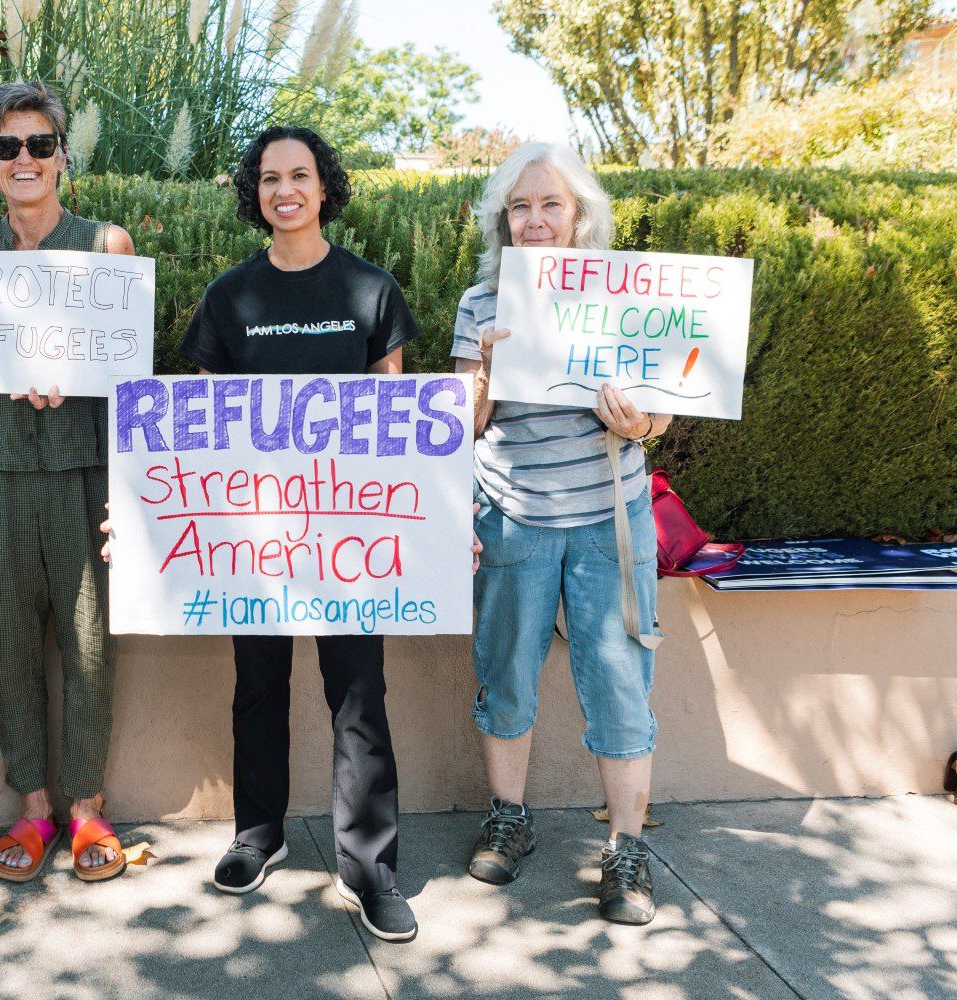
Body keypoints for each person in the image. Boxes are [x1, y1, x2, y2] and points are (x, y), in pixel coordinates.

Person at [179, 125, 422, 942]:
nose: (285, 190)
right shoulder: (229, 297)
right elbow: (203, 423)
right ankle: (259, 835)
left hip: (350, 534)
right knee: (258, 685)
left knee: (358, 693)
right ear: (255, 193)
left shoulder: (369, 290)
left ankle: (371, 870)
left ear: (324, 188)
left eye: (300, 176)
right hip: (255, 533)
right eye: (269, 178)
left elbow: (394, 423)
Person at [452, 142, 671, 926]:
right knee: (505, 672)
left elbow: (661, 411)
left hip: (611, 520)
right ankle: (508, 819)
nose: (536, 218)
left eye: (551, 204)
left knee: (620, 684)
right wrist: (483, 366)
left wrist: (639, 422)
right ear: (503, 221)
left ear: (580, 216)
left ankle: (626, 849)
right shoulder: (482, 302)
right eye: (521, 206)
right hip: (512, 518)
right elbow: (461, 425)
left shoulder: (623, 297)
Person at [0, 81, 137, 885]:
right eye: (6, 146)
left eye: (39, 144)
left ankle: (87, 805)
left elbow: (127, 370)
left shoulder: (106, 245)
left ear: (63, 156)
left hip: (84, 463)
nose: (23, 159)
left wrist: (77, 376)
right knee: (10, 642)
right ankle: (32, 805)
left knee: (90, 642)